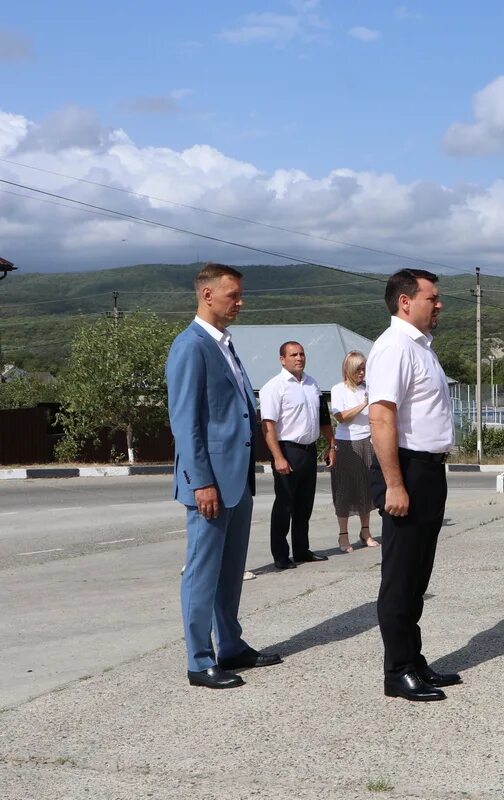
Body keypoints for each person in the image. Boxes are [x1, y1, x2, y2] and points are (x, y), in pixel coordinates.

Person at [166, 263, 282, 689]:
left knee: (230, 571)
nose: (240, 302)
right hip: (210, 483)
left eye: (240, 294)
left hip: (237, 479)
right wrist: (201, 482)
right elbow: (185, 423)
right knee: (202, 571)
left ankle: (231, 645)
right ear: (207, 295)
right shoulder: (190, 346)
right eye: (232, 295)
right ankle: (200, 660)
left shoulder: (224, 344)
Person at [366, 268, 462, 702]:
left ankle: (414, 659)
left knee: (418, 572)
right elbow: (381, 417)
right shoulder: (393, 348)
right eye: (432, 297)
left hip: (429, 469)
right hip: (407, 469)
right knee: (400, 575)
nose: (438, 304)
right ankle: (397, 670)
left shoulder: (421, 347)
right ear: (406, 301)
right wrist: (395, 485)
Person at [259, 341, 336, 571]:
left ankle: (302, 550)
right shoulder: (274, 387)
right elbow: (268, 426)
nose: (299, 358)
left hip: (309, 450)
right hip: (287, 450)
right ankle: (281, 555)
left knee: (304, 505)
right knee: (284, 505)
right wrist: (278, 457)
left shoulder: (312, 384)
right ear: (282, 359)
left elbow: (323, 419)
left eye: (302, 354)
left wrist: (332, 445)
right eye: (293, 354)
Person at [329, 350, 378, 553]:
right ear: (349, 370)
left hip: (367, 440)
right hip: (347, 443)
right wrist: (363, 404)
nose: (362, 373)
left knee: (366, 488)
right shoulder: (339, 389)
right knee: (345, 489)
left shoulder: (368, 388)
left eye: (364, 369)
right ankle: (343, 535)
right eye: (358, 369)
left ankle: (365, 532)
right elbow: (341, 417)